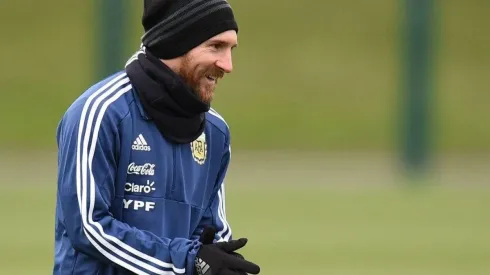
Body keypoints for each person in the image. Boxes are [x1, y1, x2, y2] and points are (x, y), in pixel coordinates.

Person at [53, 0, 260, 274]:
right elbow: (88, 227)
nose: (228, 65)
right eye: (216, 46)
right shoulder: (100, 112)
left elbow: (211, 234)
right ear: (178, 42)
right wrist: (186, 260)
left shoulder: (215, 131)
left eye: (231, 49)